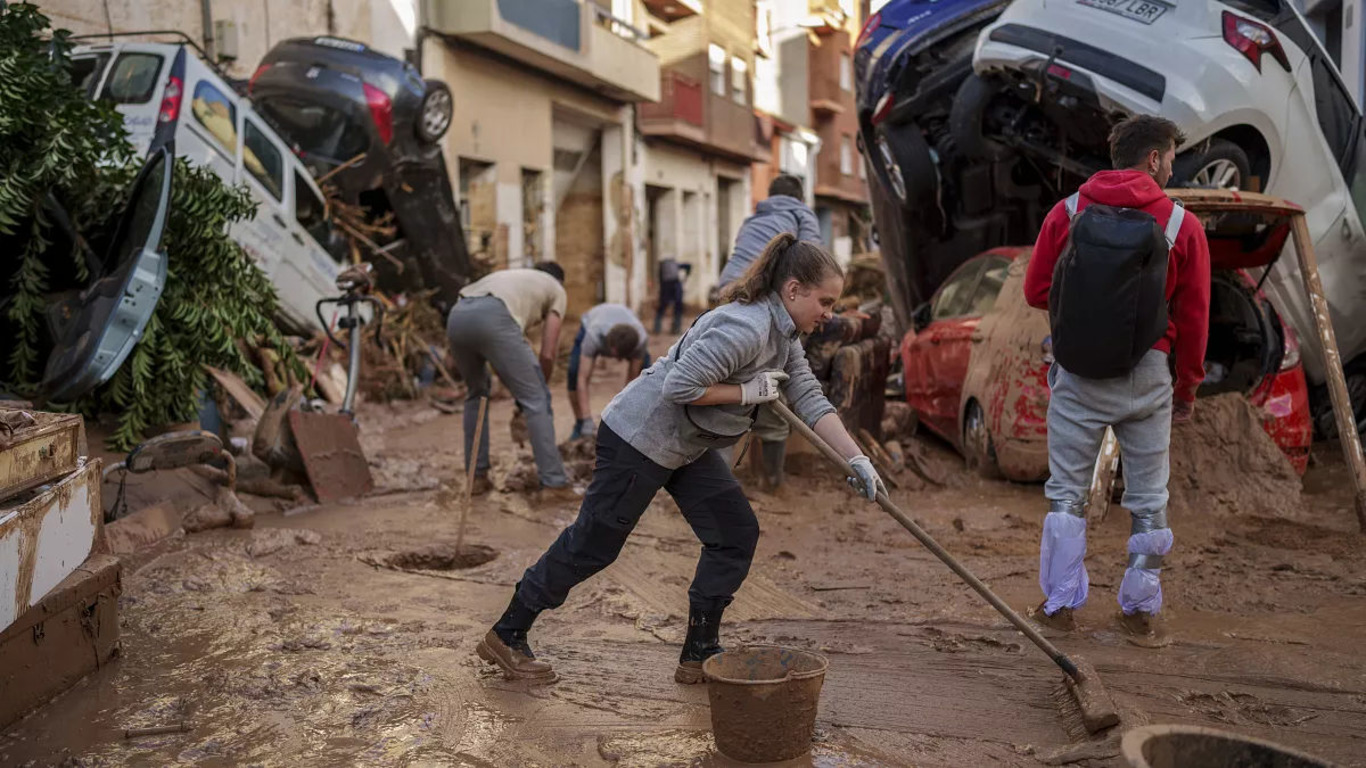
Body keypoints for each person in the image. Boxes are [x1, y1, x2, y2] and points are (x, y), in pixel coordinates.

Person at [476, 234, 885, 684]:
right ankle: (508, 632)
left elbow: (808, 396)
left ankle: (699, 651)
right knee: (595, 544)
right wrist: (747, 393)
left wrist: (856, 458)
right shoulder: (746, 327)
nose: (829, 314)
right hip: (640, 436)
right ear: (793, 290)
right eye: (825, 302)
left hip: (688, 445)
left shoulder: (783, 334)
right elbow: (680, 387)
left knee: (734, 532)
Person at [1023, 115, 1210, 643]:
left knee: (1066, 494)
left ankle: (1059, 605)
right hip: (1149, 374)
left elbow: (1037, 290)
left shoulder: (1068, 211)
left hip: (1078, 370)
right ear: (1153, 159)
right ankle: (1140, 609)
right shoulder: (1182, 226)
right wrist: (1187, 386)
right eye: (1171, 156)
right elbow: (1195, 319)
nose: (1173, 165)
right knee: (1150, 498)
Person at [716, 174, 822, 493]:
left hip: (724, 296)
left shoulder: (753, 219)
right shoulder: (803, 215)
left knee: (722, 388)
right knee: (772, 385)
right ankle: (772, 481)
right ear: (800, 198)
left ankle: (715, 482)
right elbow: (813, 265)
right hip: (761, 302)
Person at [446, 262, 578, 501]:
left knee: (476, 394)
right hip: (496, 315)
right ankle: (554, 484)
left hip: (457, 315)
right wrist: (537, 389)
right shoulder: (556, 290)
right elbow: (547, 354)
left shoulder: (512, 277)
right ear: (559, 280)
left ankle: (476, 478)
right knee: (537, 399)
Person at [569, 303, 652, 440]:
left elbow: (631, 383)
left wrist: (622, 420)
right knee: (574, 372)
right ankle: (580, 424)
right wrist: (587, 418)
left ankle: (639, 427)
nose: (616, 360)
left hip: (630, 335)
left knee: (646, 381)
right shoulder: (593, 336)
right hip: (594, 320)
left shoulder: (641, 341)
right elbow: (582, 379)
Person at [654, 256, 692, 334]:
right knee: (678, 308)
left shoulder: (662, 268)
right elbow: (688, 266)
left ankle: (657, 328)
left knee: (662, 307)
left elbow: (661, 281)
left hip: (666, 287)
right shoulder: (676, 265)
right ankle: (676, 328)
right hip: (676, 286)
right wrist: (687, 275)